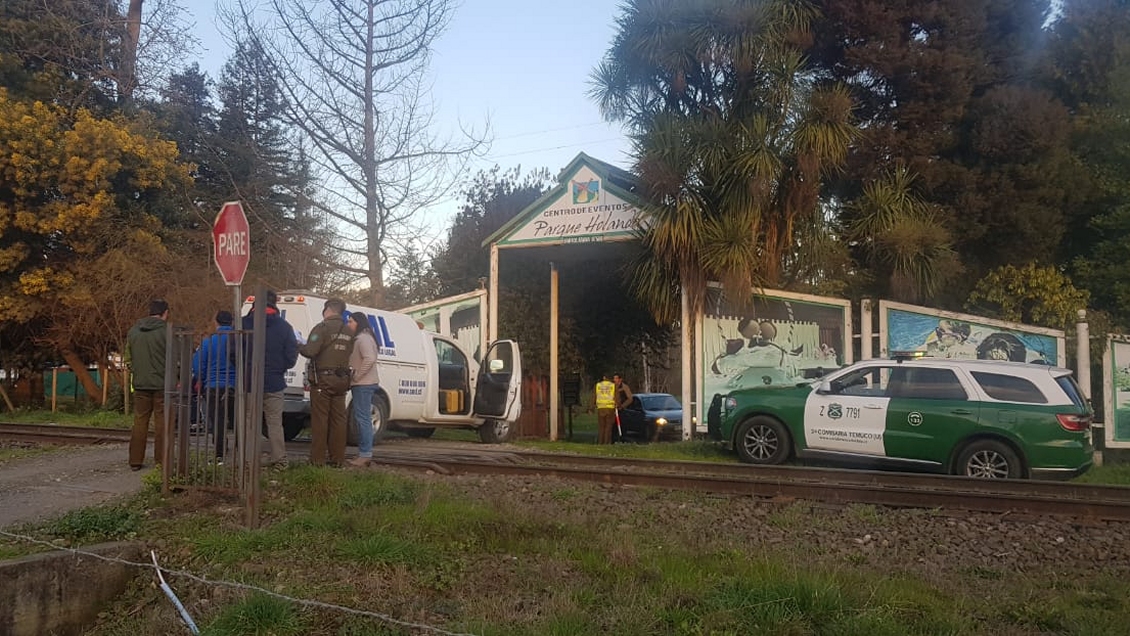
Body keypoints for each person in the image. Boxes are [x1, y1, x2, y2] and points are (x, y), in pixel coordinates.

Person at [243, 290, 299, 467]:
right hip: (274, 382)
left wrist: (244, 368)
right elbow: (291, 356)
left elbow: (232, 352)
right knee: (275, 423)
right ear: (275, 304)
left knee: (249, 422)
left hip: (249, 381)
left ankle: (249, 459)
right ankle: (279, 459)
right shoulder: (284, 327)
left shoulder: (243, 323)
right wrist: (279, 368)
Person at [300, 298, 355, 466]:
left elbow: (310, 351)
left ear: (328, 310)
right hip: (342, 380)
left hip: (323, 381)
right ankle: (338, 459)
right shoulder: (349, 331)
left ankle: (317, 460)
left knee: (320, 420)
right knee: (339, 420)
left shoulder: (321, 328)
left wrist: (298, 344)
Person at [127, 299, 169, 471]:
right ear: (165, 313)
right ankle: (161, 461)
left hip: (140, 383)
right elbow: (177, 357)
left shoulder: (133, 331)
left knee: (140, 421)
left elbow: (127, 357)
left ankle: (135, 461)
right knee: (162, 423)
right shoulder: (167, 331)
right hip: (162, 384)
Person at [192, 310, 237, 461]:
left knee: (217, 420)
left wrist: (203, 380)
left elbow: (198, 366)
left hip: (212, 386)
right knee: (238, 419)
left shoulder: (208, 342)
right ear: (232, 323)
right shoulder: (239, 339)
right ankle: (241, 449)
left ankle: (219, 452)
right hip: (235, 386)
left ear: (216, 323)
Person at [347, 312, 380, 467]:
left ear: (358, 323)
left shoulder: (363, 339)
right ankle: (364, 453)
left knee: (363, 419)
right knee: (363, 418)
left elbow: (370, 359)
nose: (349, 324)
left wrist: (357, 376)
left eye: (351, 321)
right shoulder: (367, 337)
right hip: (365, 383)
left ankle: (365, 454)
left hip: (363, 384)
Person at [594, 374, 616, 444]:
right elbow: (617, 397)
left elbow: (594, 396)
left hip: (601, 408)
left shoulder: (598, 385)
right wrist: (619, 405)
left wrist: (591, 406)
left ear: (604, 377)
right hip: (610, 408)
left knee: (601, 427)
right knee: (608, 427)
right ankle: (606, 443)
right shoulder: (613, 385)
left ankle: (600, 442)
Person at [612, 373, 633, 444]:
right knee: (613, 426)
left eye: (616, 378)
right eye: (614, 378)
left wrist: (622, 406)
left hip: (621, 410)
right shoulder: (612, 387)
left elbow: (630, 399)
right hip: (612, 410)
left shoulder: (625, 387)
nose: (614, 380)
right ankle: (613, 440)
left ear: (620, 379)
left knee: (622, 425)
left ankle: (623, 439)